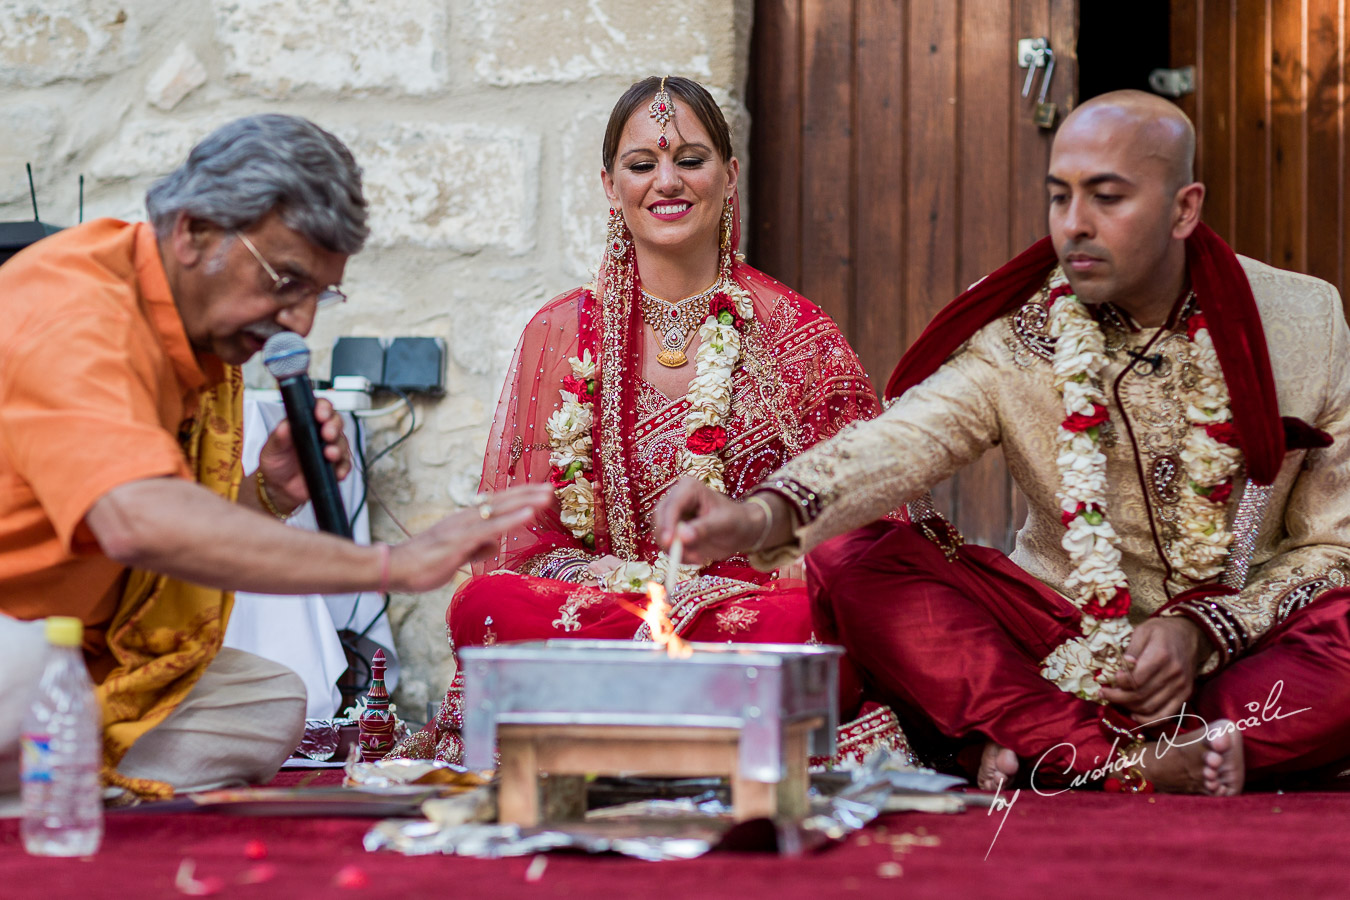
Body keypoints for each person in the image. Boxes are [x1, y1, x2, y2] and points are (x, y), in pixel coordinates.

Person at [655, 90, 1350, 796]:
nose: (1073, 225)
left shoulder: (1303, 319)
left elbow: (1336, 543)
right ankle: (1135, 760)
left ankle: (1058, 746)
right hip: (1055, 638)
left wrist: (1203, 630)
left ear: (1183, 208)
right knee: (853, 561)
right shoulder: (1020, 332)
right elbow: (902, 441)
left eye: (1106, 198)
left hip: (1244, 649)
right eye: (1059, 197)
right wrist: (760, 515)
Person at [0, 114, 552, 801]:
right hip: (16, 636)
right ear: (196, 230)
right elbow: (136, 523)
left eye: (317, 293)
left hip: (94, 656)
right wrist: (389, 565)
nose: (300, 322)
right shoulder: (75, 313)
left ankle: (53, 765)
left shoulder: (200, 334)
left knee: (268, 700)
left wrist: (269, 494)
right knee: (23, 664)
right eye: (284, 279)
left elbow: (155, 553)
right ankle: (57, 768)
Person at [390, 76, 908, 766]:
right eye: (643, 165)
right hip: (603, 605)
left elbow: (861, 520)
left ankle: (625, 710)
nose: (667, 182)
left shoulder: (798, 333)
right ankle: (700, 711)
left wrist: (716, 590)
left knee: (819, 619)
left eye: (690, 160)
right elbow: (528, 538)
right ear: (611, 186)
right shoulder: (559, 331)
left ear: (730, 174)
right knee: (488, 602)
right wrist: (631, 588)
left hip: (750, 616)